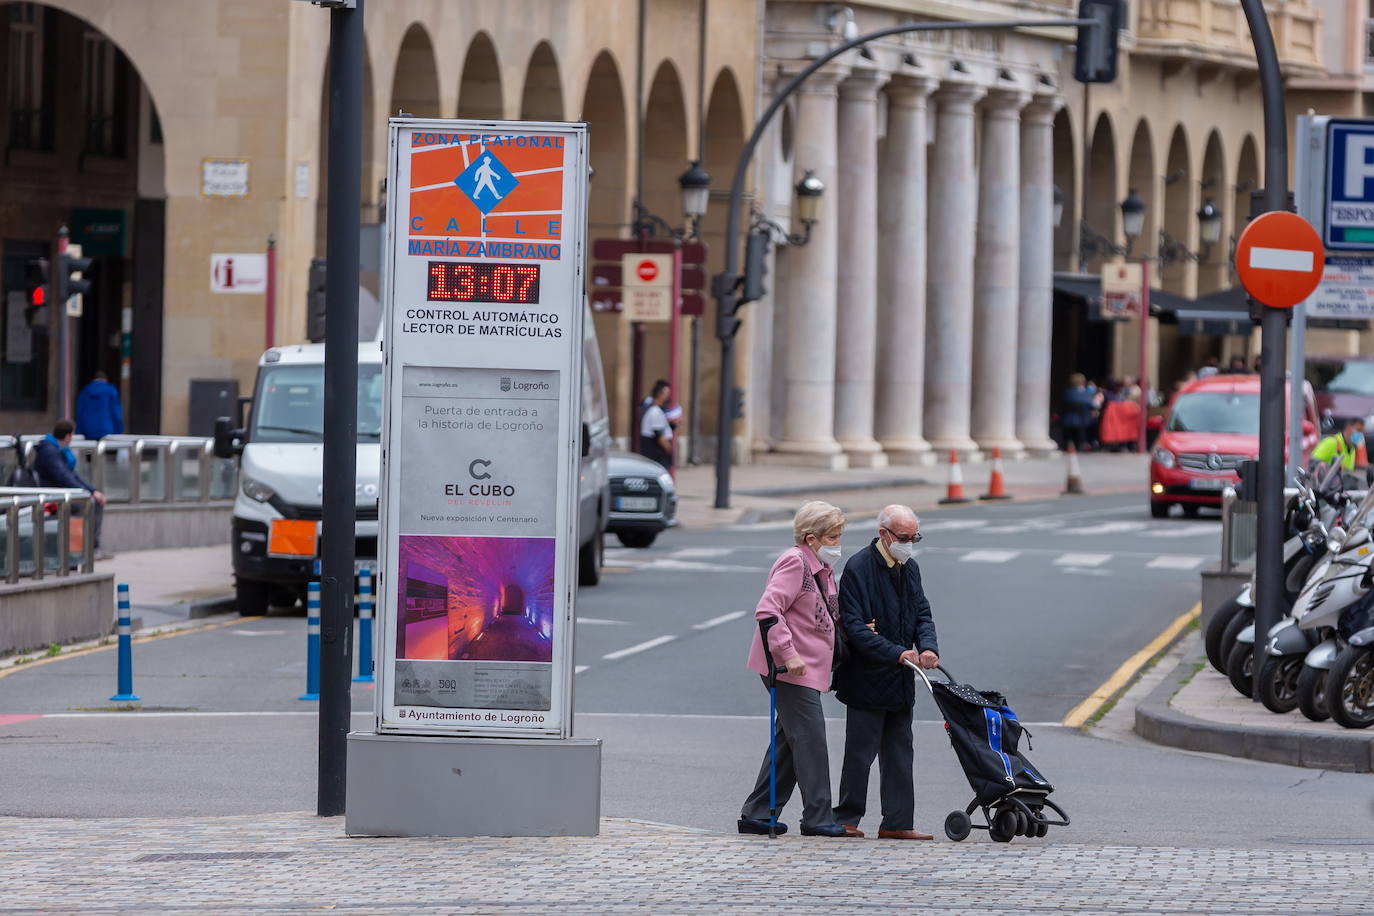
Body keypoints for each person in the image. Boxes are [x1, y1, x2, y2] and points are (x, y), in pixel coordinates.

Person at [739, 500, 854, 838]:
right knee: (811, 740)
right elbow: (768, 610)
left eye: (838, 536)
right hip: (790, 669)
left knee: (790, 742)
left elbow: (823, 613)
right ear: (810, 538)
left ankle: (757, 813)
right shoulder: (795, 563)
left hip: (808, 667)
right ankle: (817, 817)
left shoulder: (820, 567)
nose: (837, 543)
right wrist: (788, 654)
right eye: (831, 537)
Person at [831, 505, 939, 841]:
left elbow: (922, 612)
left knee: (900, 752)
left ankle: (897, 821)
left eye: (914, 537)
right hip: (867, 676)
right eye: (904, 538)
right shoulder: (859, 568)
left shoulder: (910, 567)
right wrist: (896, 652)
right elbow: (855, 627)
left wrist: (928, 647)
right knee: (860, 752)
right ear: (884, 534)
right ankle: (847, 817)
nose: (909, 544)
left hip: (901, 676)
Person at [32, 419, 108, 555]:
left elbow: (73, 476)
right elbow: (64, 477)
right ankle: (80, 549)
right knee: (87, 504)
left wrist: (92, 490)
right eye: (72, 435)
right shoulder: (50, 452)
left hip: (62, 493)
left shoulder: (57, 450)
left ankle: (90, 546)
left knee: (94, 501)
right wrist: (86, 493)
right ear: (68, 436)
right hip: (52, 497)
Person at [75, 370, 124, 440]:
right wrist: (119, 431)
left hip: (87, 431)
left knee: (89, 450)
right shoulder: (110, 390)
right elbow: (116, 413)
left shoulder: (84, 391)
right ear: (105, 380)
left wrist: (78, 432)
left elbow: (80, 412)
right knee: (105, 450)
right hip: (107, 430)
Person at [639, 379, 674, 470]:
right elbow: (659, 435)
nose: (668, 396)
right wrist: (669, 448)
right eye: (667, 393)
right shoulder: (655, 412)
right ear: (660, 394)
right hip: (657, 454)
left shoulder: (656, 411)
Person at [1060, 373, 1097, 451]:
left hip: (1067, 420)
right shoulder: (1085, 393)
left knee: (1068, 438)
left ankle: (1068, 446)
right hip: (1082, 422)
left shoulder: (1067, 392)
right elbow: (1092, 404)